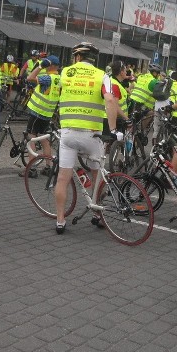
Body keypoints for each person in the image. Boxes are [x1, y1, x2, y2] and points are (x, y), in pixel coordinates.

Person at [55, 41, 121, 234]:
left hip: (68, 134)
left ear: (77, 57)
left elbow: (59, 95)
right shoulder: (103, 76)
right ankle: (97, 215)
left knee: (62, 178)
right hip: (93, 135)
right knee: (97, 176)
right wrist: (113, 129)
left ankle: (60, 221)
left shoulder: (66, 72)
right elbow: (109, 99)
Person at [22, 54, 61, 171]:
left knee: (31, 138)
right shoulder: (59, 79)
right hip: (47, 114)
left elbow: (30, 78)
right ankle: (48, 167)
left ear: (51, 65)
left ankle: (31, 168)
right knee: (44, 139)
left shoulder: (48, 78)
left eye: (47, 64)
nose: (46, 66)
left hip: (37, 112)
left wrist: (39, 66)